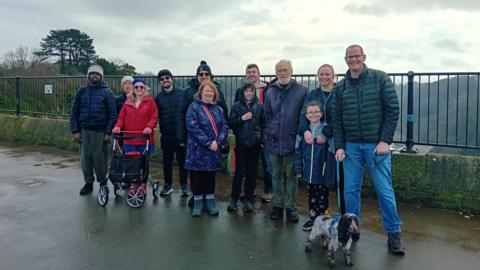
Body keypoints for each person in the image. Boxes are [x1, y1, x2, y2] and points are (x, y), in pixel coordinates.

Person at [333, 44, 405, 255]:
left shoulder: (380, 78)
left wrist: (385, 140)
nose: (353, 59)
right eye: (349, 57)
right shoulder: (341, 87)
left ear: (364, 57)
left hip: (377, 146)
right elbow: (337, 120)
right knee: (350, 191)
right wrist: (339, 146)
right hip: (351, 147)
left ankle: (394, 234)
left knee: (384, 191)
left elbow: (393, 110)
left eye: (357, 56)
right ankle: (352, 231)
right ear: (345, 60)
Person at [176, 61, 229, 204]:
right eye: (201, 74)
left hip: (213, 141)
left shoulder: (218, 92)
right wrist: (181, 137)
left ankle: (208, 197)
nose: (204, 76)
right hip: (195, 140)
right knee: (196, 171)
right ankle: (197, 197)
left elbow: (225, 116)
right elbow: (181, 115)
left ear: (211, 76)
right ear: (197, 76)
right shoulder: (188, 93)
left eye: (207, 74)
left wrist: (221, 140)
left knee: (210, 171)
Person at [264, 59, 307, 222]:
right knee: (275, 175)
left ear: (291, 71)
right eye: (279, 70)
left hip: (292, 140)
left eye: (285, 70)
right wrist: (270, 131)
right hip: (273, 140)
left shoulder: (302, 91)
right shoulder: (270, 92)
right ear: (276, 73)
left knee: (291, 176)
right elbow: (266, 114)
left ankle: (290, 207)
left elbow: (304, 114)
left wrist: (299, 133)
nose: (282, 73)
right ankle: (278, 205)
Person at [297, 64, 337, 229]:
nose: (324, 77)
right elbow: (304, 114)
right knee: (313, 187)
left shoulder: (338, 93)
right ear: (317, 76)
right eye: (321, 74)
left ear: (333, 76)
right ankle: (315, 217)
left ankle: (327, 216)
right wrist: (305, 130)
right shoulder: (313, 94)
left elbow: (339, 117)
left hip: (330, 141)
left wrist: (326, 133)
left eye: (327, 74)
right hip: (312, 139)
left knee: (327, 181)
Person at [70, 64, 117, 195]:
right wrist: (75, 131)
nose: (94, 75)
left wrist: (108, 132)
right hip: (84, 130)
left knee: (100, 159)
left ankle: (103, 183)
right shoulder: (81, 91)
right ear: (88, 76)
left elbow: (113, 114)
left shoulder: (107, 92)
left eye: (97, 74)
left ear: (101, 76)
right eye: (92, 73)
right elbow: (74, 112)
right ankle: (88, 183)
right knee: (86, 159)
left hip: (100, 131)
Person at [185, 80, 228, 217]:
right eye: (206, 91)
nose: (209, 93)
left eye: (211, 91)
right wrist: (208, 142)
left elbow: (224, 126)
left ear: (214, 93)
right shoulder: (193, 107)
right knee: (197, 176)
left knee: (210, 176)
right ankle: (197, 202)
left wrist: (218, 141)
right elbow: (192, 126)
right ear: (201, 93)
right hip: (197, 149)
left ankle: (210, 201)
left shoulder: (219, 109)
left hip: (213, 149)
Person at [234, 64, 273, 202]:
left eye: (254, 72)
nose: (251, 74)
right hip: (246, 134)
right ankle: (251, 189)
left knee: (267, 164)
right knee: (250, 166)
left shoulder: (268, 88)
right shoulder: (241, 90)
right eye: (248, 72)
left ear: (259, 73)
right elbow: (235, 111)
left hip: (264, 130)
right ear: (246, 74)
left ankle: (269, 190)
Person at [112, 78, 158, 195]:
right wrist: (117, 127)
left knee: (143, 163)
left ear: (145, 88)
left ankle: (143, 185)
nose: (139, 89)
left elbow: (154, 117)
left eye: (141, 87)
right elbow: (121, 118)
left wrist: (149, 127)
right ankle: (133, 184)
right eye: (136, 87)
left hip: (144, 138)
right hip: (130, 139)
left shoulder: (150, 101)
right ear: (133, 88)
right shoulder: (127, 103)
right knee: (131, 163)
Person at [295, 101, 335, 231]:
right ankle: (313, 220)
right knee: (311, 197)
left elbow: (331, 151)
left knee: (323, 197)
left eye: (316, 111)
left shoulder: (326, 130)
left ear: (322, 113)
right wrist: (298, 169)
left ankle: (323, 220)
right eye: (310, 112)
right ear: (306, 115)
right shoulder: (303, 132)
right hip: (308, 172)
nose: (313, 114)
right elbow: (298, 151)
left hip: (322, 173)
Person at [227, 83, 265, 213]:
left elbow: (263, 124)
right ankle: (234, 198)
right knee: (239, 172)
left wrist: (261, 140)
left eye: (251, 91)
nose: (249, 93)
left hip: (254, 145)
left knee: (251, 173)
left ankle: (247, 199)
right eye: (246, 91)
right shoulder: (237, 106)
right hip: (241, 144)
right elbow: (230, 123)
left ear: (254, 93)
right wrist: (242, 118)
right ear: (243, 93)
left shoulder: (259, 107)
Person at [154, 69, 189, 197]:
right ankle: (167, 185)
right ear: (160, 82)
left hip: (180, 134)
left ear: (171, 79)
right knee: (167, 161)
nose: (165, 80)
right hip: (166, 134)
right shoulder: (158, 97)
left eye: (167, 78)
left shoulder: (181, 94)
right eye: (162, 79)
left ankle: (184, 185)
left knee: (182, 161)